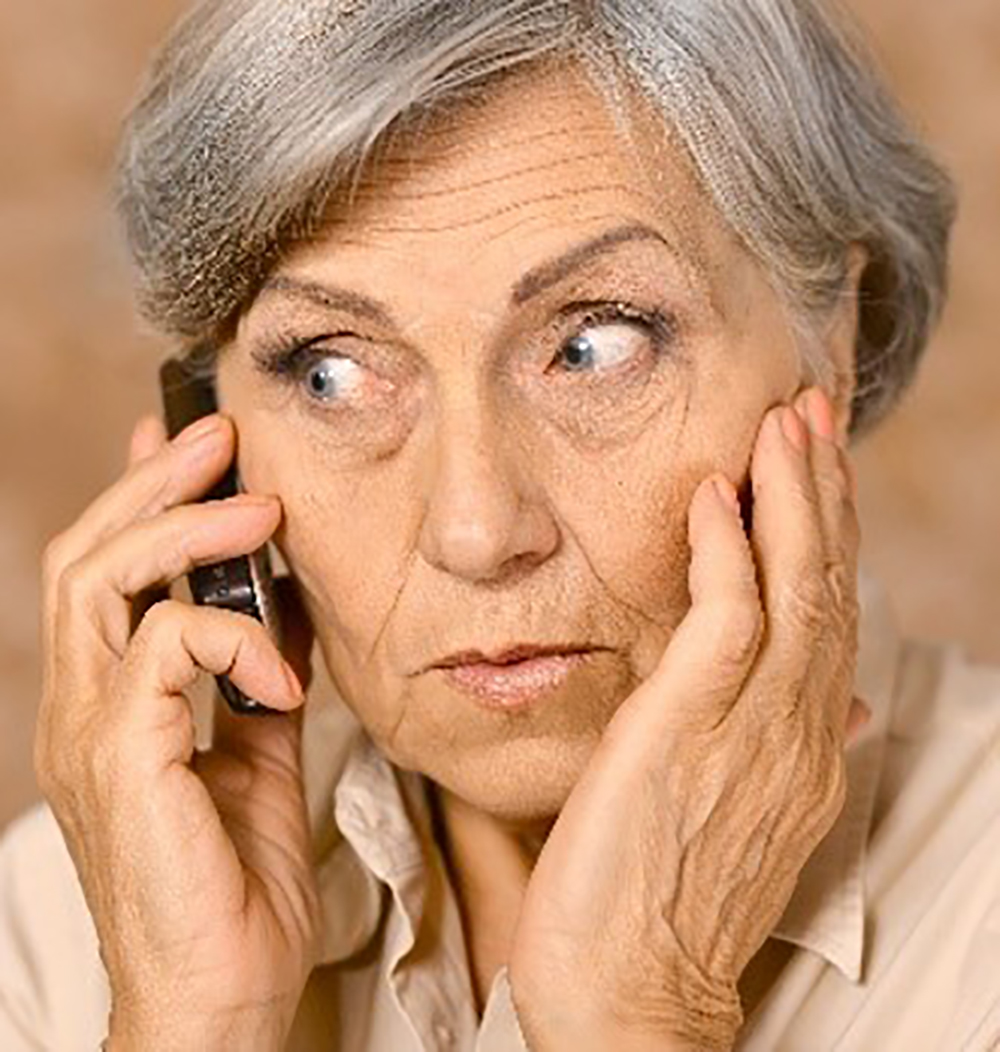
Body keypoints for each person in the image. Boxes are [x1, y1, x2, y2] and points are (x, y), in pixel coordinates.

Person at [2, 1, 998, 1049]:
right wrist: (189, 1027)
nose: (477, 531)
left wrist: (641, 1015)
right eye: (332, 371)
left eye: (594, 347)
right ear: (208, 428)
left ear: (828, 342)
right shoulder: (59, 930)